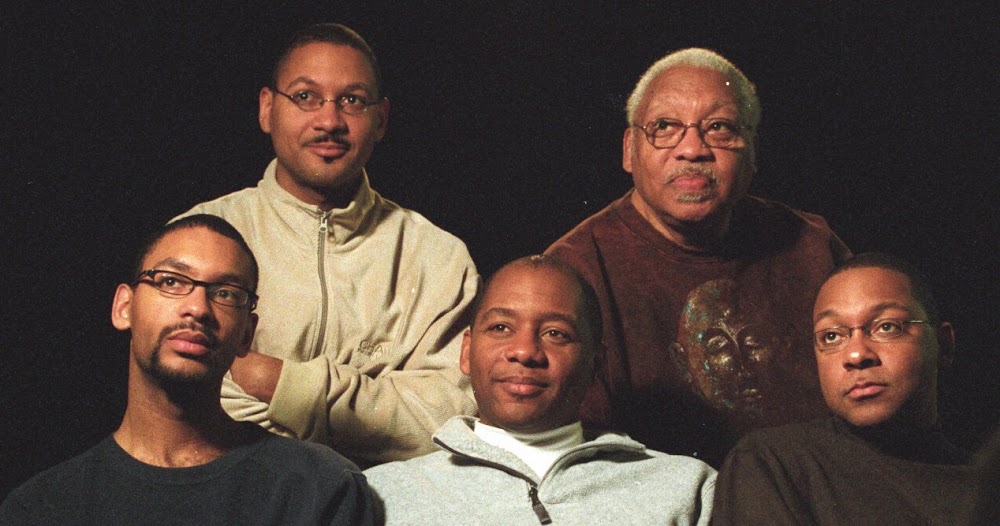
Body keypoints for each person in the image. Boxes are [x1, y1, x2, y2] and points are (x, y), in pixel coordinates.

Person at [173, 23, 479, 466]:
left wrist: (286, 387)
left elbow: (450, 420)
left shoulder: (439, 257)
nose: (329, 121)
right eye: (305, 96)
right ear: (266, 109)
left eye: (352, 100)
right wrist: (373, 405)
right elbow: (177, 403)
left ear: (381, 119)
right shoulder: (201, 236)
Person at [545, 47, 851, 466]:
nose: (692, 149)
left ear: (753, 150)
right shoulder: (573, 271)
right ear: (629, 149)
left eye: (719, 128)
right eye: (665, 127)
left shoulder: (811, 245)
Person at [0, 215, 373, 525]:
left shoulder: (317, 487)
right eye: (171, 281)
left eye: (226, 293)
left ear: (247, 333)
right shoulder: (41, 508)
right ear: (124, 307)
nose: (198, 308)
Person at [365, 255, 716, 525]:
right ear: (466, 352)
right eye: (501, 327)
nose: (525, 351)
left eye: (555, 334)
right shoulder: (381, 495)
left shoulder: (687, 489)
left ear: (595, 364)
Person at [711, 252, 977, 525]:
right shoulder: (776, 463)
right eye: (831, 336)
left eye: (887, 327)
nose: (856, 355)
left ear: (944, 344)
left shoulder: (984, 487)